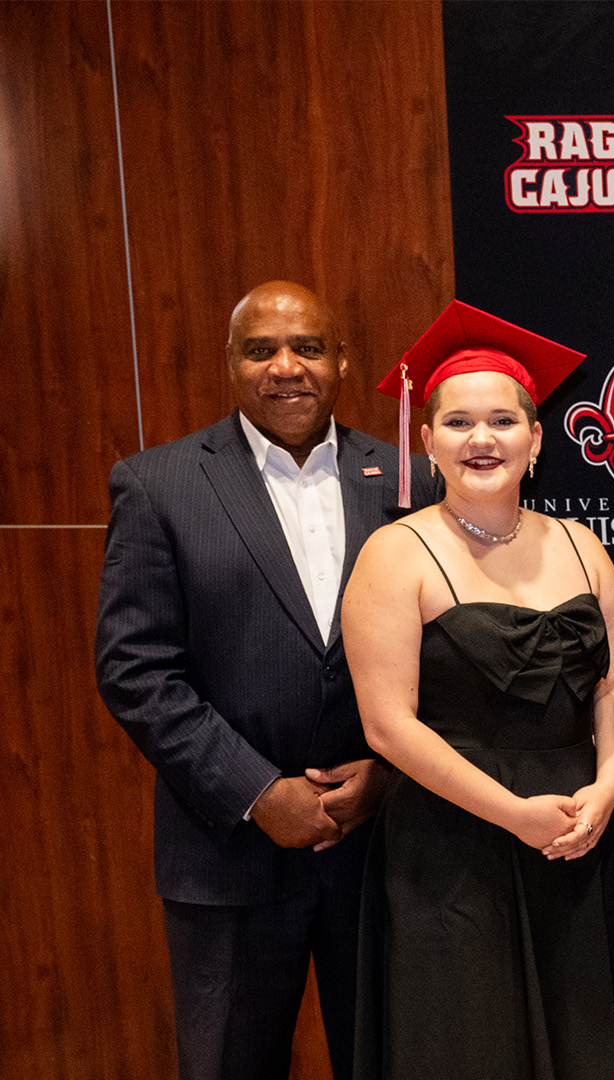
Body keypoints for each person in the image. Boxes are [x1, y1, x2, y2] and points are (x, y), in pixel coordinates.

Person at [96, 281, 407, 1080]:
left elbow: (441, 659)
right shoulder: (158, 484)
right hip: (225, 856)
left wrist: (391, 774)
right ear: (231, 366)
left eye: (307, 347)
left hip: (377, 854)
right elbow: (135, 670)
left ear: (340, 360)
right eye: (260, 350)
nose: (285, 367)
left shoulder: (409, 482)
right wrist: (259, 793)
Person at [340, 300, 614, 1079]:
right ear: (427, 440)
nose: (483, 439)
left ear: (536, 439)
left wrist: (608, 786)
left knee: (584, 1046)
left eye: (504, 421)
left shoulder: (582, 546)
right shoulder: (395, 553)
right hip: (452, 845)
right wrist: (514, 815)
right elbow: (387, 727)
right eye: (460, 423)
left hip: (573, 837)